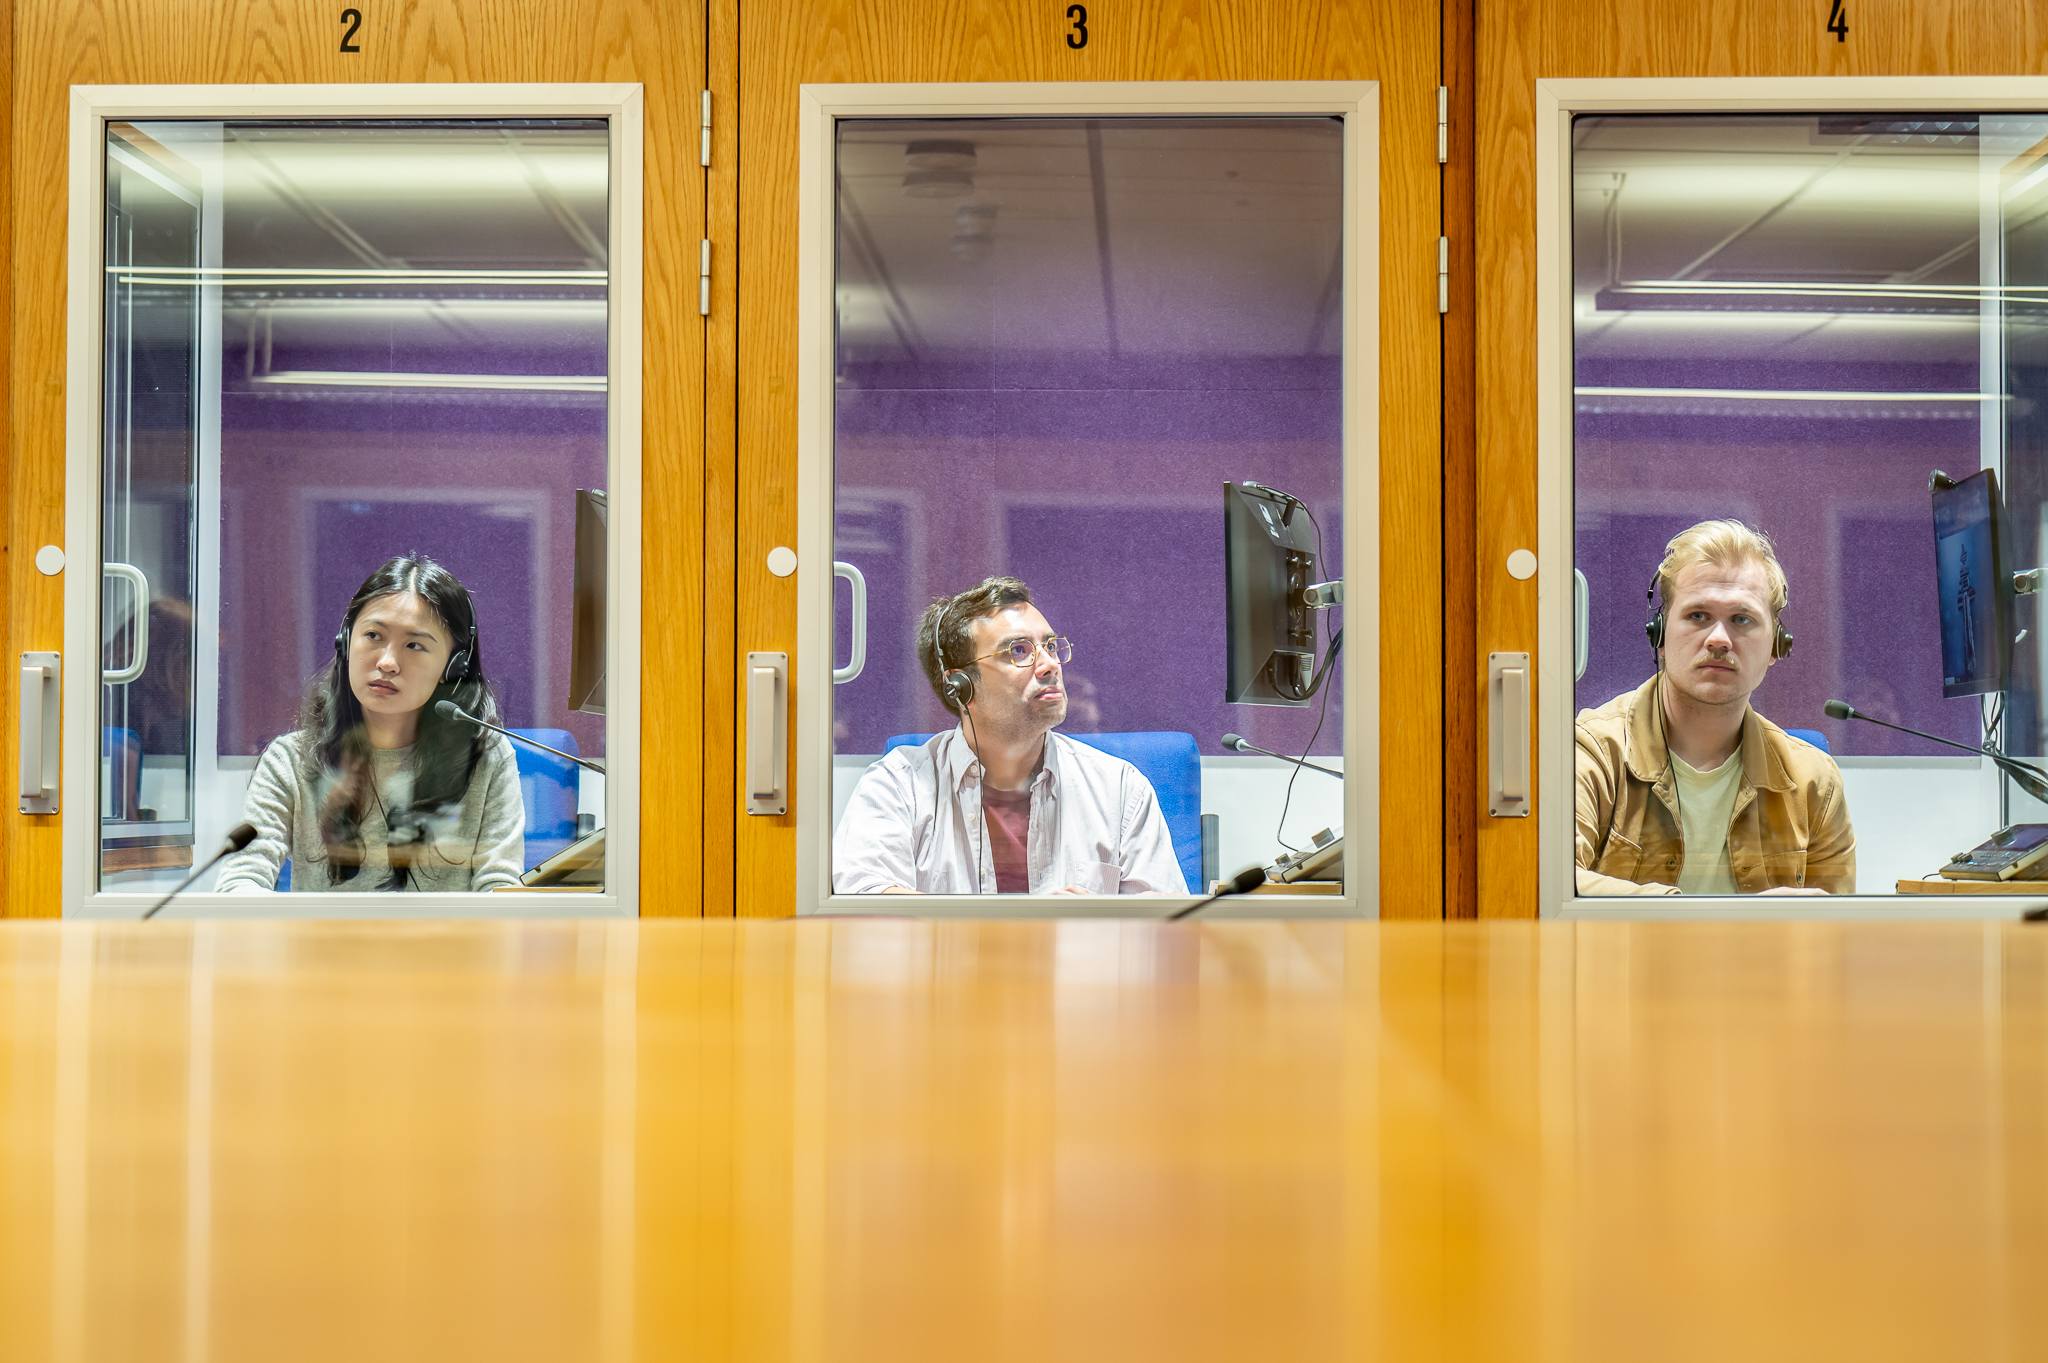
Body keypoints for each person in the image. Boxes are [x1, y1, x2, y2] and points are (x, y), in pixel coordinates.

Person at [833, 576, 1187, 895]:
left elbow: (1172, 929)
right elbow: (864, 902)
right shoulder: (898, 784)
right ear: (959, 685)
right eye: (1019, 651)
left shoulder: (1120, 789)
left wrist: (1097, 927)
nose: (1050, 664)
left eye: (1050, 646)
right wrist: (1024, 935)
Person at [1576, 520, 1856, 896]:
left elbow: (1837, 924)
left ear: (1776, 646)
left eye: (1742, 619)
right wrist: (1719, 920)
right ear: (1659, 634)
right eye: (1698, 616)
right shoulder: (1591, 754)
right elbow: (1550, 883)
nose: (1719, 639)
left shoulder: (1814, 783)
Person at [217, 555, 525, 893]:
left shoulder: (486, 759)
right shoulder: (290, 761)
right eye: (374, 635)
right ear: (346, 643)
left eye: (415, 645)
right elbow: (241, 880)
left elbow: (500, 890)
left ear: (453, 667)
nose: (388, 662)